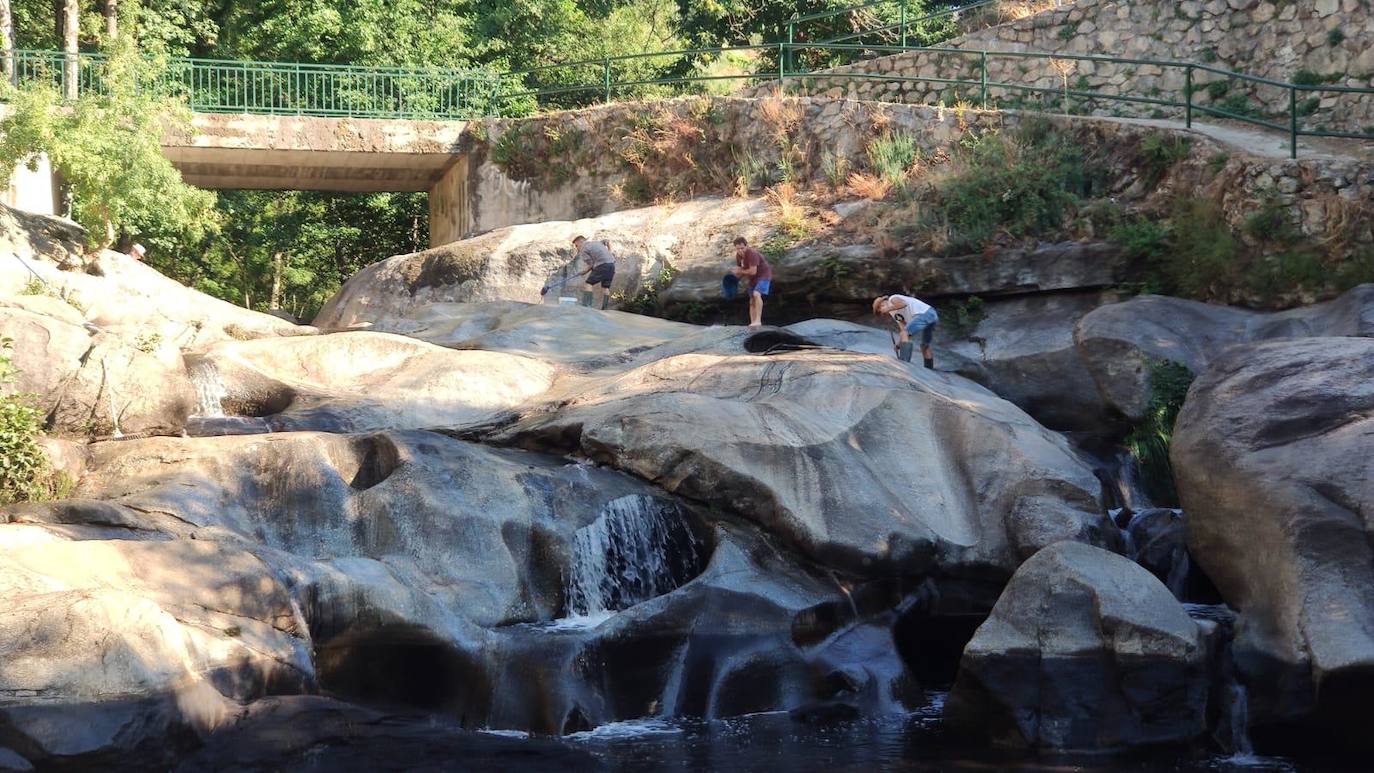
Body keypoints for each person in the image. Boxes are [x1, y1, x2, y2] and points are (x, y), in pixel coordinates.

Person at [873, 294, 938, 369]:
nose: (882, 311)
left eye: (881, 308)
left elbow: (903, 304)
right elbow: (903, 330)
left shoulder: (892, 299)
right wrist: (899, 344)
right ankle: (929, 369)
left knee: (904, 333)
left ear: (883, 303)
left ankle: (904, 362)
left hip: (925, 313)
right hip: (931, 315)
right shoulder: (894, 314)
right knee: (924, 346)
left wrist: (889, 308)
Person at [731, 236, 772, 327]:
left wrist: (739, 271)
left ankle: (758, 321)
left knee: (756, 294)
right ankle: (753, 322)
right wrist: (734, 279)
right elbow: (741, 271)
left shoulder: (752, 253)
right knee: (751, 300)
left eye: (742, 248)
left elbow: (753, 271)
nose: (741, 251)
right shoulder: (738, 256)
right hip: (753, 278)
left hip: (763, 275)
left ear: (746, 246)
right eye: (738, 249)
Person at [572, 235, 616, 310]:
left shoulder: (583, 249)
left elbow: (591, 264)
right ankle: (605, 308)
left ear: (581, 242)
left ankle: (586, 306)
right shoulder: (596, 242)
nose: (577, 248)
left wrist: (583, 272)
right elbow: (607, 241)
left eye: (576, 245)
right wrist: (610, 253)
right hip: (611, 265)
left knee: (588, 284)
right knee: (605, 287)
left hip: (602, 265)